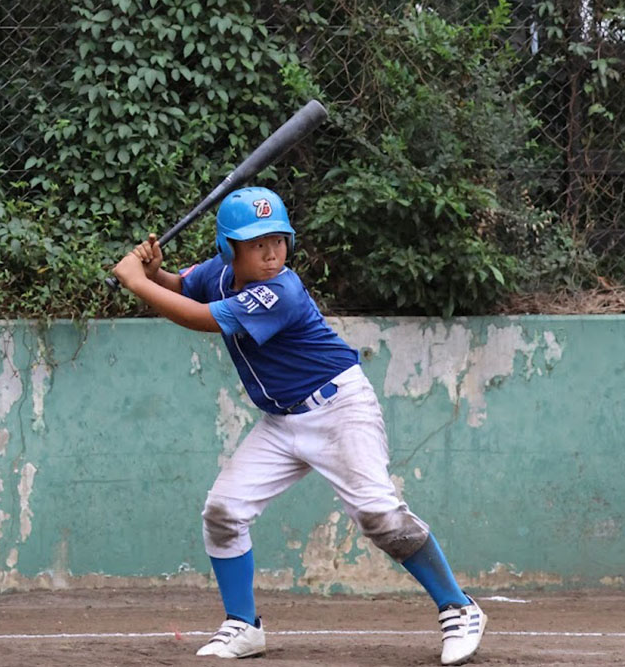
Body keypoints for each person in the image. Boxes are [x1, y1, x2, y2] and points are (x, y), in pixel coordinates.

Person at [112, 187, 487, 665]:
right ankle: (243, 625)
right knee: (224, 511)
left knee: (380, 516)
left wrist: (135, 283)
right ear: (229, 249)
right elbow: (183, 288)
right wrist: (152, 272)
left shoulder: (280, 290)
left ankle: (459, 607)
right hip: (283, 420)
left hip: (338, 408)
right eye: (256, 244)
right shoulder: (217, 273)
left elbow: (200, 318)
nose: (271, 254)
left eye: (278, 240)